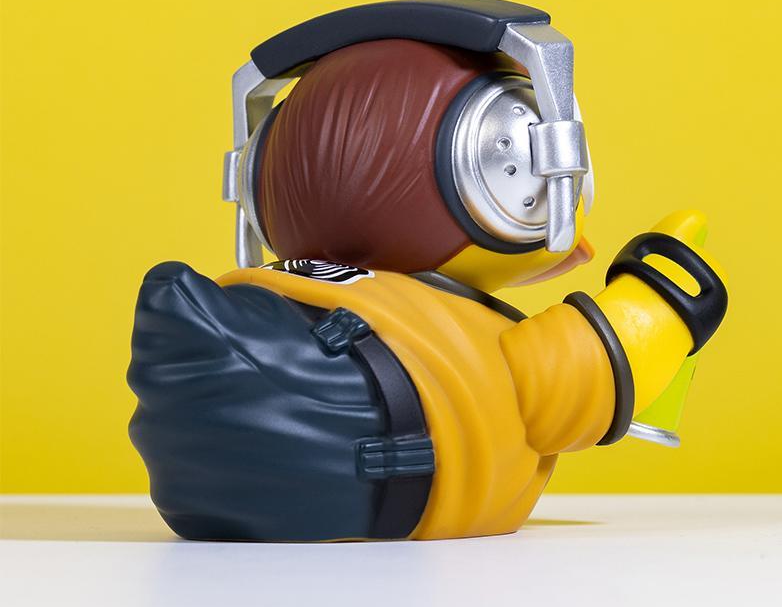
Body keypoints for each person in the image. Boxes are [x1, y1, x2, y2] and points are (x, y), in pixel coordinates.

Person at [128, 39, 727, 541]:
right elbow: (585, 369)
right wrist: (663, 292)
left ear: (255, 186)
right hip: (425, 506)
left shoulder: (284, 288)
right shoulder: (472, 340)